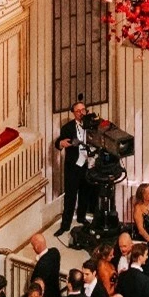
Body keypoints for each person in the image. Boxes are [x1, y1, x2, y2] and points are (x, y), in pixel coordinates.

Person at [57, 100, 93, 235]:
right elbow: (58, 143)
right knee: (71, 196)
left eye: (83, 110)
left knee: (85, 193)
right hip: (73, 167)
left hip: (87, 164)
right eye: (78, 111)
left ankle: (82, 217)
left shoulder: (91, 125)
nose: (81, 113)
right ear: (73, 113)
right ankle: (65, 225)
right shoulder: (67, 128)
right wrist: (61, 143)